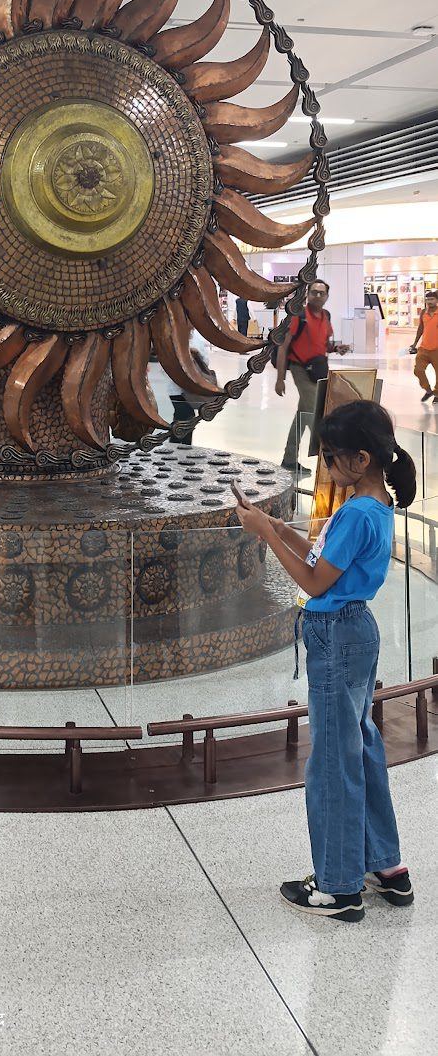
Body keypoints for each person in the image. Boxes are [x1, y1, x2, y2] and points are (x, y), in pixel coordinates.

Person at [235, 399, 415, 922]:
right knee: (359, 746)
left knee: (333, 761)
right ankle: (385, 866)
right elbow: (322, 560)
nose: (328, 466)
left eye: (332, 457)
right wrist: (276, 526)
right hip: (356, 631)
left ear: (361, 458)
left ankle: (338, 887)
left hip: (336, 635)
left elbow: (314, 583)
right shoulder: (372, 505)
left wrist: (264, 536)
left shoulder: (356, 513)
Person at [275, 280, 349, 476]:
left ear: (327, 296)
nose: (317, 296)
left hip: (318, 370)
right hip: (300, 369)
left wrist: (336, 348)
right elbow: (283, 347)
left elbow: (323, 345)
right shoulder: (298, 316)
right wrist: (280, 378)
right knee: (315, 415)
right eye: (314, 292)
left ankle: (289, 459)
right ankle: (332, 461)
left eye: (321, 293)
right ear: (307, 294)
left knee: (303, 415)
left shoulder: (326, 316)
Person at [410, 289, 438, 403]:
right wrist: (415, 343)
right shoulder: (423, 312)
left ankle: (437, 394)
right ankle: (428, 390)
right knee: (418, 370)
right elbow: (421, 328)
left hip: (436, 349)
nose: (429, 301)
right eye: (427, 299)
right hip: (423, 348)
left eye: (432, 299)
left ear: (436, 300)